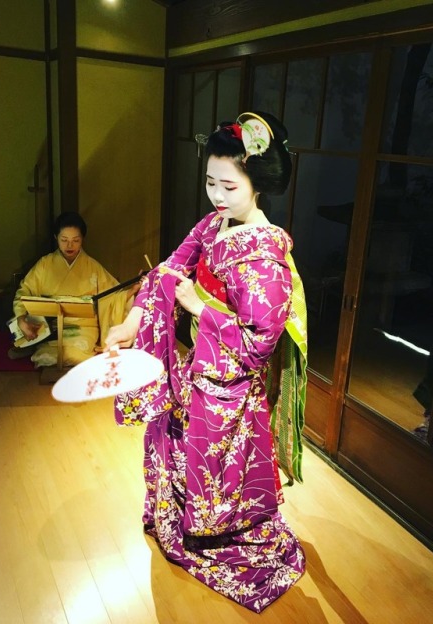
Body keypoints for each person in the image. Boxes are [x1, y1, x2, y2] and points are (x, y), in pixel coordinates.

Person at [106, 112, 308, 612]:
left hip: (225, 382)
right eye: (210, 183)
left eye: (229, 186)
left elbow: (260, 340)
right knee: (177, 452)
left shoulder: (265, 256)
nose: (217, 196)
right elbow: (173, 267)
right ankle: (184, 520)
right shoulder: (216, 223)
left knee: (215, 466)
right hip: (189, 365)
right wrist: (132, 323)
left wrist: (197, 307)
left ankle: (217, 533)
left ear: (256, 185)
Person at [11, 211, 135, 367]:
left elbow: (113, 295)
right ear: (56, 238)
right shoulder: (44, 265)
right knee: (46, 357)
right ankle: (33, 347)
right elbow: (24, 292)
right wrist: (22, 318)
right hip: (50, 327)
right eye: (64, 240)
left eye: (75, 240)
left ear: (82, 239)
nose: (70, 245)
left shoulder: (92, 267)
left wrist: (131, 291)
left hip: (82, 327)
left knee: (75, 356)